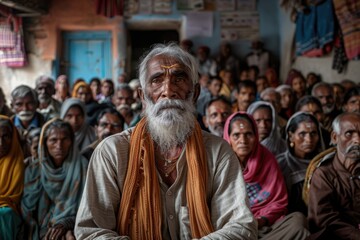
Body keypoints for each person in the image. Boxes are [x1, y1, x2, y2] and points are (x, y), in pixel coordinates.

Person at [75, 43, 257, 239]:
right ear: (143, 96)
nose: (168, 91)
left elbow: (241, 226)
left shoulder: (218, 152)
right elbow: (91, 231)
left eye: (179, 79)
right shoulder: (112, 152)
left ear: (194, 94)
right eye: (156, 80)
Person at [223, 112, 309, 239]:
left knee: (298, 220)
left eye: (248, 134)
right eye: (236, 135)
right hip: (234, 227)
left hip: (266, 224)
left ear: (256, 136)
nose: (243, 140)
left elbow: (278, 202)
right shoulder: (221, 162)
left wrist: (260, 221)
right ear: (228, 137)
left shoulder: (267, 158)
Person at [21, 119, 88, 240]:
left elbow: (88, 207)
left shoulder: (83, 166)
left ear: (71, 141)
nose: (59, 146)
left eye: (64, 139)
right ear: (44, 142)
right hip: (40, 227)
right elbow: (27, 210)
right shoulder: (33, 170)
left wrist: (66, 223)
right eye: (53, 140)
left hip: (74, 224)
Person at [307, 112, 360, 239]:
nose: (357, 140)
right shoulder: (324, 174)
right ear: (335, 137)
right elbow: (324, 219)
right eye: (349, 133)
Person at [277, 112, 325, 216]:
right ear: (290, 136)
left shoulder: (324, 163)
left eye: (313, 133)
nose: (309, 140)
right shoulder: (281, 164)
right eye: (302, 134)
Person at [0, 115, 24, 239]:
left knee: (4, 214)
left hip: (8, 211)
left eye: (6, 137)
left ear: (13, 137)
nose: (1, 143)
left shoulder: (17, 162)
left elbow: (14, 199)